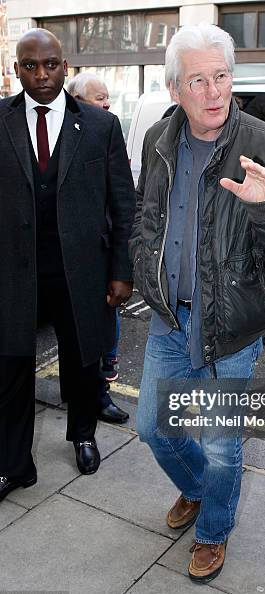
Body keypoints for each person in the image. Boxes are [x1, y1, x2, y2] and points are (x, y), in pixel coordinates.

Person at [129, 23, 265, 582]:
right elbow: (148, 215)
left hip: (234, 328)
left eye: (222, 76)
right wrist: (144, 265)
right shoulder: (158, 141)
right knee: (153, 428)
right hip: (170, 319)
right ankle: (196, 491)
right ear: (174, 91)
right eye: (198, 81)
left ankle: (213, 530)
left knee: (220, 445)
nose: (214, 92)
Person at [0, 28, 135, 502]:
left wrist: (122, 270)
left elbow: (123, 203)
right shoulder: (0, 120)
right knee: (11, 367)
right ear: (17, 69)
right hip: (14, 274)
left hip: (81, 271)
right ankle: (14, 465)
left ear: (65, 66)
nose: (41, 75)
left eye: (51, 64)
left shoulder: (100, 125)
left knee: (82, 362)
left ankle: (82, 435)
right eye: (30, 66)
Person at [66, 72, 128, 425]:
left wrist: (122, 268)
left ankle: (99, 396)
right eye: (98, 98)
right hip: (63, 259)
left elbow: (121, 200)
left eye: (108, 99)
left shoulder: (108, 130)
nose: (106, 105)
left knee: (103, 331)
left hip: (101, 255)